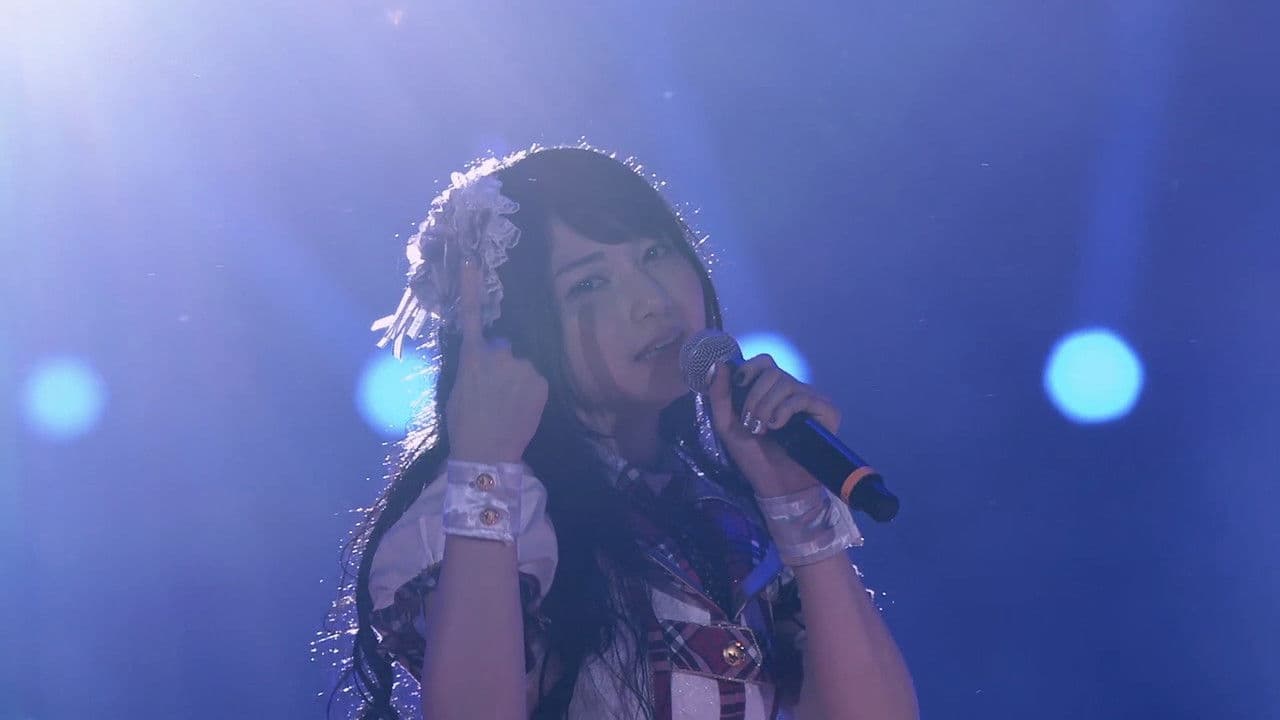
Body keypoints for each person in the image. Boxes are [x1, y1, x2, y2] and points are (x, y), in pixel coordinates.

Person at [332, 146, 917, 719]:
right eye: (588, 284)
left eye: (656, 252)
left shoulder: (725, 507)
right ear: (515, 330)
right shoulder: (489, 510)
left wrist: (796, 503)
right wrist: (484, 463)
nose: (652, 302)